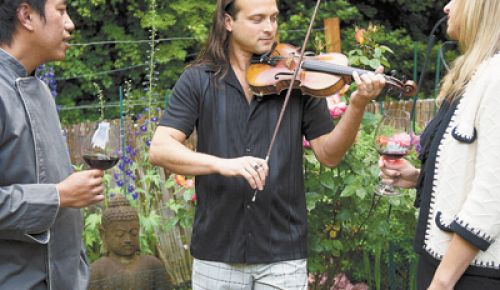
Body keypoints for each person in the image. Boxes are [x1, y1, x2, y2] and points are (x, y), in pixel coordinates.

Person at [149, 0, 385, 288]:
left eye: (273, 18)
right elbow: (160, 149)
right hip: (217, 252)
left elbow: (329, 154)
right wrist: (223, 165)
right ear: (228, 22)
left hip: (282, 254)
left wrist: (358, 104)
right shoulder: (198, 79)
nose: (270, 28)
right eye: (258, 19)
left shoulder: (297, 77)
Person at [379, 0, 500, 289]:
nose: (446, 8)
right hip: (446, 264)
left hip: (471, 275)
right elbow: (471, 168)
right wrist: (420, 179)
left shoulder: (496, 78)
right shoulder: (476, 73)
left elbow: (493, 193)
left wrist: (442, 282)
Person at [0, 1, 106, 289]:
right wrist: (58, 196)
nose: (70, 24)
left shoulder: (42, 89)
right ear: (26, 16)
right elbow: (56, 194)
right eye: (61, 11)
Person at [89, 195, 171, 290]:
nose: (128, 239)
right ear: (103, 234)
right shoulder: (96, 271)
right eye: (120, 234)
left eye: (134, 233)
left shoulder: (153, 265)